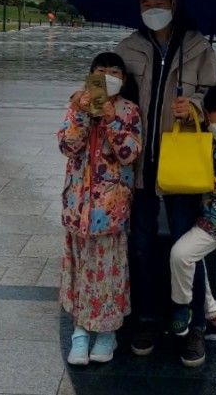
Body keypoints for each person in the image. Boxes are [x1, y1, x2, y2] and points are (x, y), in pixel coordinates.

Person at [115, 0, 216, 367]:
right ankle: (146, 319)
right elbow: (112, 96)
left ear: (174, 3)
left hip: (181, 169)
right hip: (139, 168)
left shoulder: (198, 47)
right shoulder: (127, 49)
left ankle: (193, 328)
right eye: (146, 1)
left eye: (160, 0)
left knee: (184, 249)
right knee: (140, 248)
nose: (152, 8)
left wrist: (193, 104)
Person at [57, 52, 142, 366]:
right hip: (77, 206)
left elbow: (128, 153)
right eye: (101, 71)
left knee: (108, 273)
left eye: (114, 71)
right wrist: (81, 115)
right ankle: (80, 332)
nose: (107, 76)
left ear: (123, 78)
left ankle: (107, 333)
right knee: (81, 271)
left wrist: (110, 119)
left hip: (110, 208)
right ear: (90, 74)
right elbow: (67, 147)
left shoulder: (129, 111)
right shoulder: (76, 104)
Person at [169, 86, 216, 364]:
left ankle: (181, 307)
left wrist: (188, 173)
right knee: (195, 263)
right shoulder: (203, 136)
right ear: (208, 114)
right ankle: (214, 320)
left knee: (181, 254)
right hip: (201, 213)